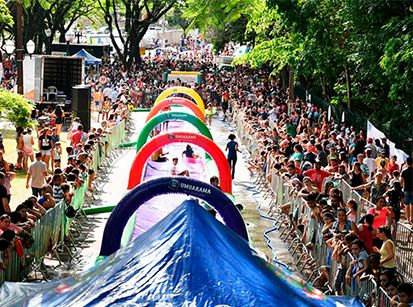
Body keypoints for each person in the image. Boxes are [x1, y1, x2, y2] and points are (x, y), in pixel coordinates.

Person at [401, 157, 413, 223]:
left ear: (406, 162)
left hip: (406, 190)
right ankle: (412, 218)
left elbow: (401, 182)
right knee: (412, 205)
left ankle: (408, 219)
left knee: (406, 205)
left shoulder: (404, 171)